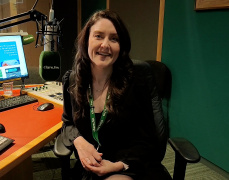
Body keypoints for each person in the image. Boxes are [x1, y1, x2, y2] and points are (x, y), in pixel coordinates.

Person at [60, 10, 170, 180]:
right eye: (98, 36)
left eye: (114, 39)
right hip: (92, 167)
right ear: (86, 41)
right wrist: (78, 141)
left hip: (130, 165)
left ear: (121, 46)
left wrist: (117, 165)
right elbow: (67, 124)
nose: (105, 45)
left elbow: (147, 142)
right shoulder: (74, 81)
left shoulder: (135, 81)